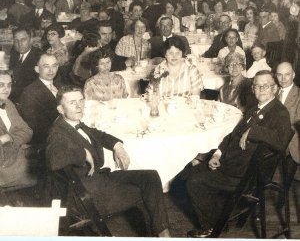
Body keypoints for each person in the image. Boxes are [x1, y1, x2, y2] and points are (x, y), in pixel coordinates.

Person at [46, 86, 171, 237]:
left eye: (81, 101)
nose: (79, 106)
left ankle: (163, 235)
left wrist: (116, 145)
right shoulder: (57, 132)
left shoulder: (72, 123)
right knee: (147, 192)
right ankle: (163, 236)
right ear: (60, 108)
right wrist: (82, 153)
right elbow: (53, 159)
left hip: (98, 181)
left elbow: (96, 134)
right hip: (86, 195)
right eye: (72, 102)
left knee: (150, 177)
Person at [184, 70, 293, 237]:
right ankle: (219, 218)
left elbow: (281, 141)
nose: (260, 89)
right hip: (233, 164)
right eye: (256, 86)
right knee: (189, 172)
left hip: (245, 174)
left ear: (275, 89)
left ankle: (212, 227)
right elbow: (233, 135)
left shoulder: (279, 112)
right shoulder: (253, 108)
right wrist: (218, 154)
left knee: (195, 182)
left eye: (265, 86)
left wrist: (253, 130)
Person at [19, 53, 60, 153]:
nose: (51, 70)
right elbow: (34, 126)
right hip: (48, 141)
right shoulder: (29, 92)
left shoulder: (60, 86)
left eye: (54, 66)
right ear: (37, 69)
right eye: (46, 66)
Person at [0, 70, 34, 189]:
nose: (6, 89)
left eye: (9, 85)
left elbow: (28, 131)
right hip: (5, 169)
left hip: (17, 158)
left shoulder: (8, 103)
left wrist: (9, 138)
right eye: (1, 85)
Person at [276, 62, 300, 190]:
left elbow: (297, 124)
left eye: (287, 75)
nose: (283, 79)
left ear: (293, 75)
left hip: (291, 141)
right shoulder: (273, 91)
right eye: (279, 75)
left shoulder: (299, 95)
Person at [9, 28, 42, 103]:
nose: (19, 43)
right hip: (14, 96)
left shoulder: (39, 56)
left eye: (23, 40)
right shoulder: (14, 52)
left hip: (30, 99)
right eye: (16, 40)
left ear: (31, 40)